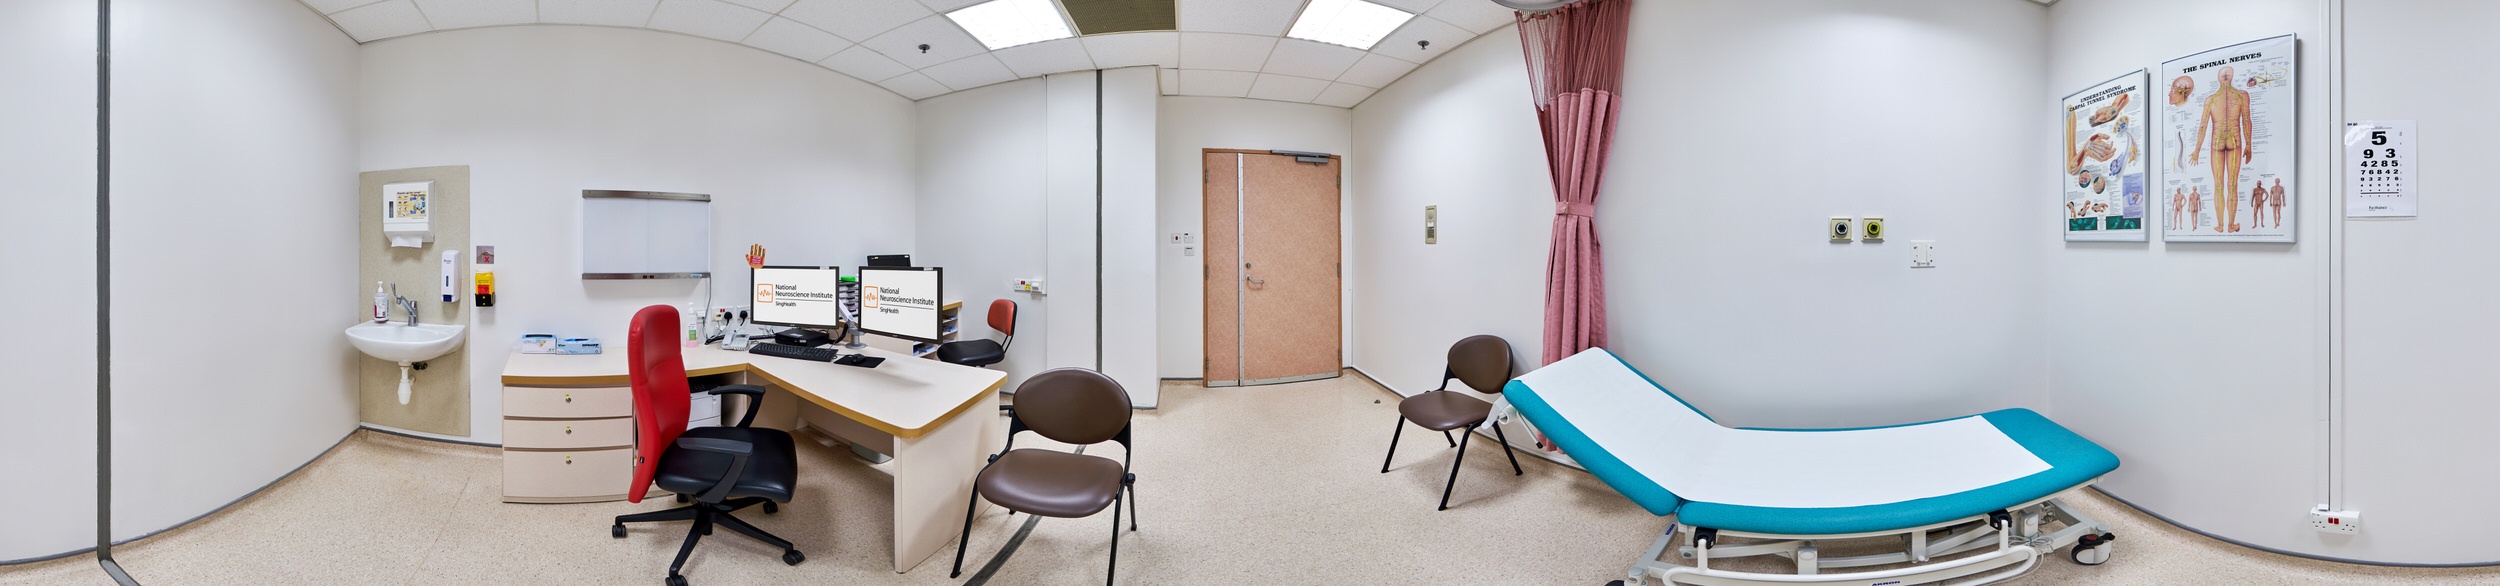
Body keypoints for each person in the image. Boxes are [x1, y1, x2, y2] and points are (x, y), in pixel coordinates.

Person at [2190, 66, 2255, 233]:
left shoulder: (2211, 100)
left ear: (2219, 79)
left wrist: (2197, 150)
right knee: (2232, 184)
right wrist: (2248, 145)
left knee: (2218, 184)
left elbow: (2203, 125)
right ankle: (2231, 225)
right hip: (2235, 140)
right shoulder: (2241, 96)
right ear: (2231, 77)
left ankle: (2220, 225)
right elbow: (2246, 121)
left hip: (2216, 142)